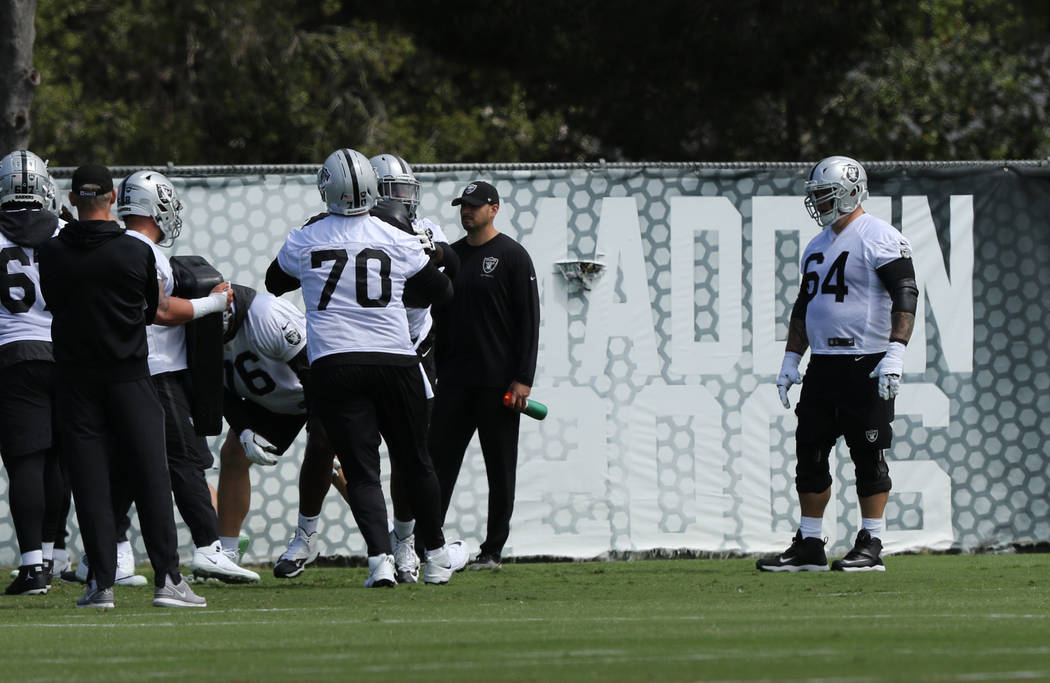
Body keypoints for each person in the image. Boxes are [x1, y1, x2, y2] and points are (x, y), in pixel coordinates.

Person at [265, 147, 467, 587]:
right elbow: (443, 291)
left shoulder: (308, 236)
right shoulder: (395, 236)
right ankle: (434, 556)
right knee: (415, 461)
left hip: (335, 362)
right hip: (395, 359)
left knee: (361, 469)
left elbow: (273, 282)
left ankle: (380, 561)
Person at [37, 163, 207, 608]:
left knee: (91, 484)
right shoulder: (137, 253)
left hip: (76, 382)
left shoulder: (51, 252)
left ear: (72, 200)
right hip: (130, 378)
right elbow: (153, 309)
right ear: (112, 199)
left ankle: (101, 584)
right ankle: (168, 580)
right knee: (152, 477)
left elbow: (54, 303)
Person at [758, 155, 917, 573]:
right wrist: (792, 358)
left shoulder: (878, 235)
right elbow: (804, 305)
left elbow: (905, 292)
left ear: (850, 191)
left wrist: (895, 352)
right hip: (824, 365)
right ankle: (810, 543)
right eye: (817, 195)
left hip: (865, 361)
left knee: (868, 454)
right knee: (809, 452)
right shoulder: (818, 244)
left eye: (826, 194)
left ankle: (872, 541)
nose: (821, 203)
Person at [114, 170, 259, 584]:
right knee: (186, 463)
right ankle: (209, 548)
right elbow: (159, 310)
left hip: (127, 372)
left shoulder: (116, 248)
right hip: (159, 371)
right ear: (154, 205)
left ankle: (106, 552)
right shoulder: (148, 254)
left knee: (126, 469)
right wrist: (211, 305)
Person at [429, 180, 540, 571]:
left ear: (494, 209)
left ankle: (492, 551)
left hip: (498, 385)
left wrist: (523, 377)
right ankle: (430, 546)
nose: (467, 211)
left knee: (499, 468)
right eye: (463, 205)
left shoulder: (512, 256)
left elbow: (529, 321)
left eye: (475, 206)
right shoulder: (451, 256)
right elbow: (436, 319)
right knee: (437, 465)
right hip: (454, 381)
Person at [367, 153, 460, 583]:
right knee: (337, 445)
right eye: (394, 192)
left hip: (415, 348)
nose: (404, 200)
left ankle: (405, 544)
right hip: (365, 347)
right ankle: (310, 535)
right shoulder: (356, 231)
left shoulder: (426, 229)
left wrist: (436, 250)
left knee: (411, 452)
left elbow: (447, 277)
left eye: (407, 192)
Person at [214, 283, 336, 579]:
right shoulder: (191, 326)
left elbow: (312, 370)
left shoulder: (265, 314)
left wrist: (320, 428)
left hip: (310, 393)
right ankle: (227, 552)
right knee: (232, 454)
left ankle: (384, 541)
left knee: (334, 463)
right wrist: (243, 429)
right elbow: (215, 387)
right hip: (268, 400)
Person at [0, 151, 66, 595]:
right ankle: (52, 555)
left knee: (25, 462)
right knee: (57, 460)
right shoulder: (65, 231)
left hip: (13, 353)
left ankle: (32, 567)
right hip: (63, 354)